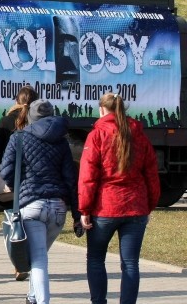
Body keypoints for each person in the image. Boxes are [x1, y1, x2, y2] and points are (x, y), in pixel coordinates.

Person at [78, 92, 160, 304]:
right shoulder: (139, 135)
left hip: (104, 208)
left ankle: (99, 301)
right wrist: (149, 205)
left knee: (96, 259)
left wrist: (84, 210)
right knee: (131, 263)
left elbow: (88, 176)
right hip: (136, 207)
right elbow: (151, 173)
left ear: (102, 110)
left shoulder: (96, 135)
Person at [0, 99, 79, 304]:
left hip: (32, 206)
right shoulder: (62, 142)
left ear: (31, 116)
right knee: (39, 255)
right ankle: (32, 297)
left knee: (39, 260)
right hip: (58, 208)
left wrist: (15, 185)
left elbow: (6, 171)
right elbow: (71, 179)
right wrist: (77, 215)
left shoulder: (19, 138)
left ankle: (42, 301)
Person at [0, 85, 38, 281]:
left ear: (16, 100)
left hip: (11, 182)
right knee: (31, 226)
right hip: (33, 182)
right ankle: (29, 261)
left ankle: (18, 265)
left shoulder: (7, 121)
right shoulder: (38, 121)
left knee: (12, 225)